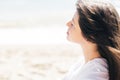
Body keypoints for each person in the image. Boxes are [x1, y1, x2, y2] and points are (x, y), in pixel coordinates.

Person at [64, 0, 120, 80]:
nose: (67, 24)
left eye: (73, 24)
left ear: (91, 36)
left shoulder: (95, 74)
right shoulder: (84, 62)